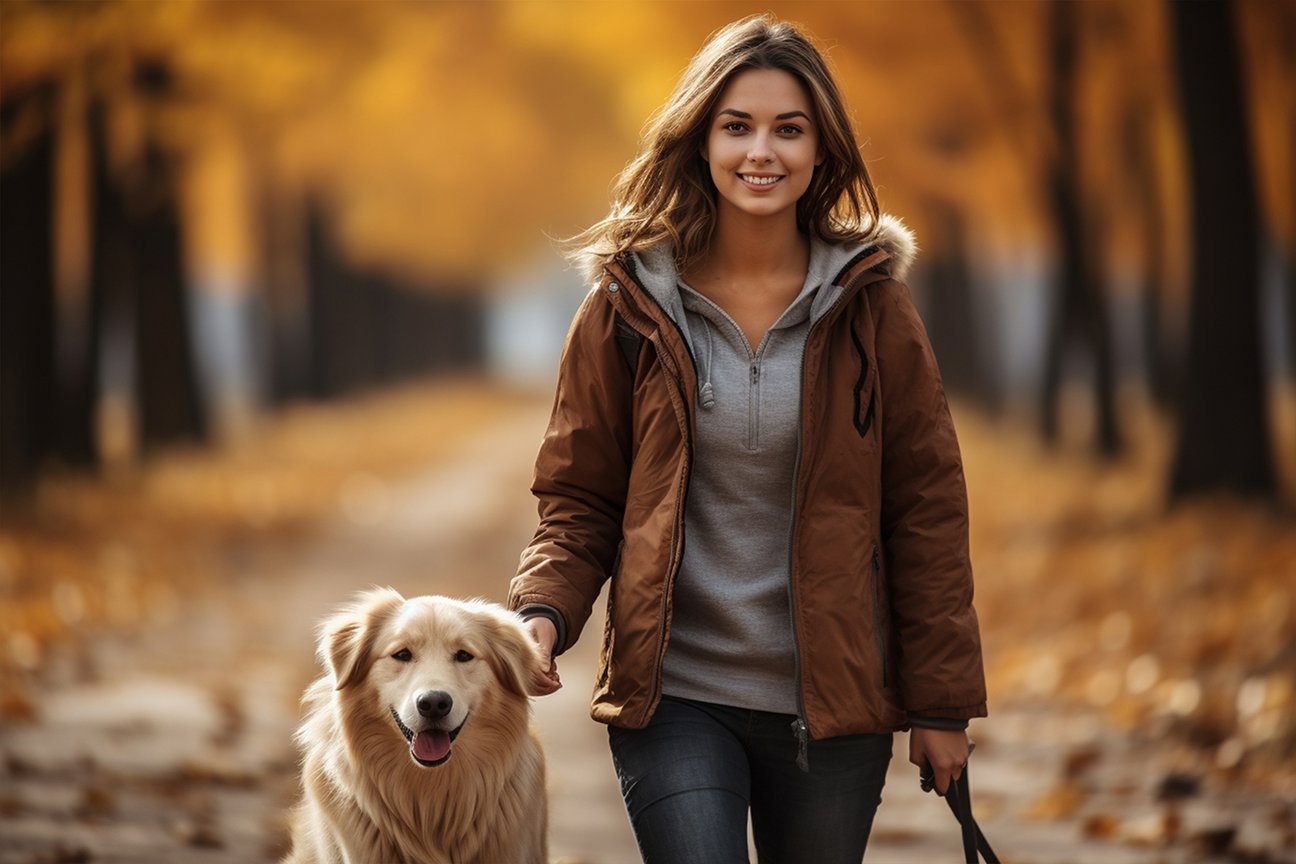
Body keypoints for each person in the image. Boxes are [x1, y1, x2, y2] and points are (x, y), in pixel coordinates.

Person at [509, 14, 987, 863]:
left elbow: (925, 511)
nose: (761, 151)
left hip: (834, 708)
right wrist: (541, 614)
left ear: (821, 149)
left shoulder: (873, 306)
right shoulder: (628, 305)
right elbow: (579, 497)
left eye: (787, 129)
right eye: (737, 126)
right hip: (675, 698)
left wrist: (941, 703)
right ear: (701, 141)